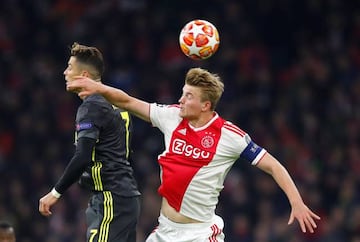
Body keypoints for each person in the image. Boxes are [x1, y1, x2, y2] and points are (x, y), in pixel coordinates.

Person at [66, 67, 321, 241]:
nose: (181, 99)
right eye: (183, 93)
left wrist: (296, 202)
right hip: (165, 230)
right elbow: (129, 102)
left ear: (205, 105)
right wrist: (97, 87)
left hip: (199, 234)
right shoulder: (172, 117)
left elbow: (273, 165)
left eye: (188, 96)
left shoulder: (229, 135)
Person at [39, 42, 141, 242]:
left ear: (84, 76)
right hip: (123, 198)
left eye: (69, 67)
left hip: (111, 198)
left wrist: (55, 193)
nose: (64, 72)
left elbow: (83, 156)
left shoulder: (92, 106)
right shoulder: (116, 102)